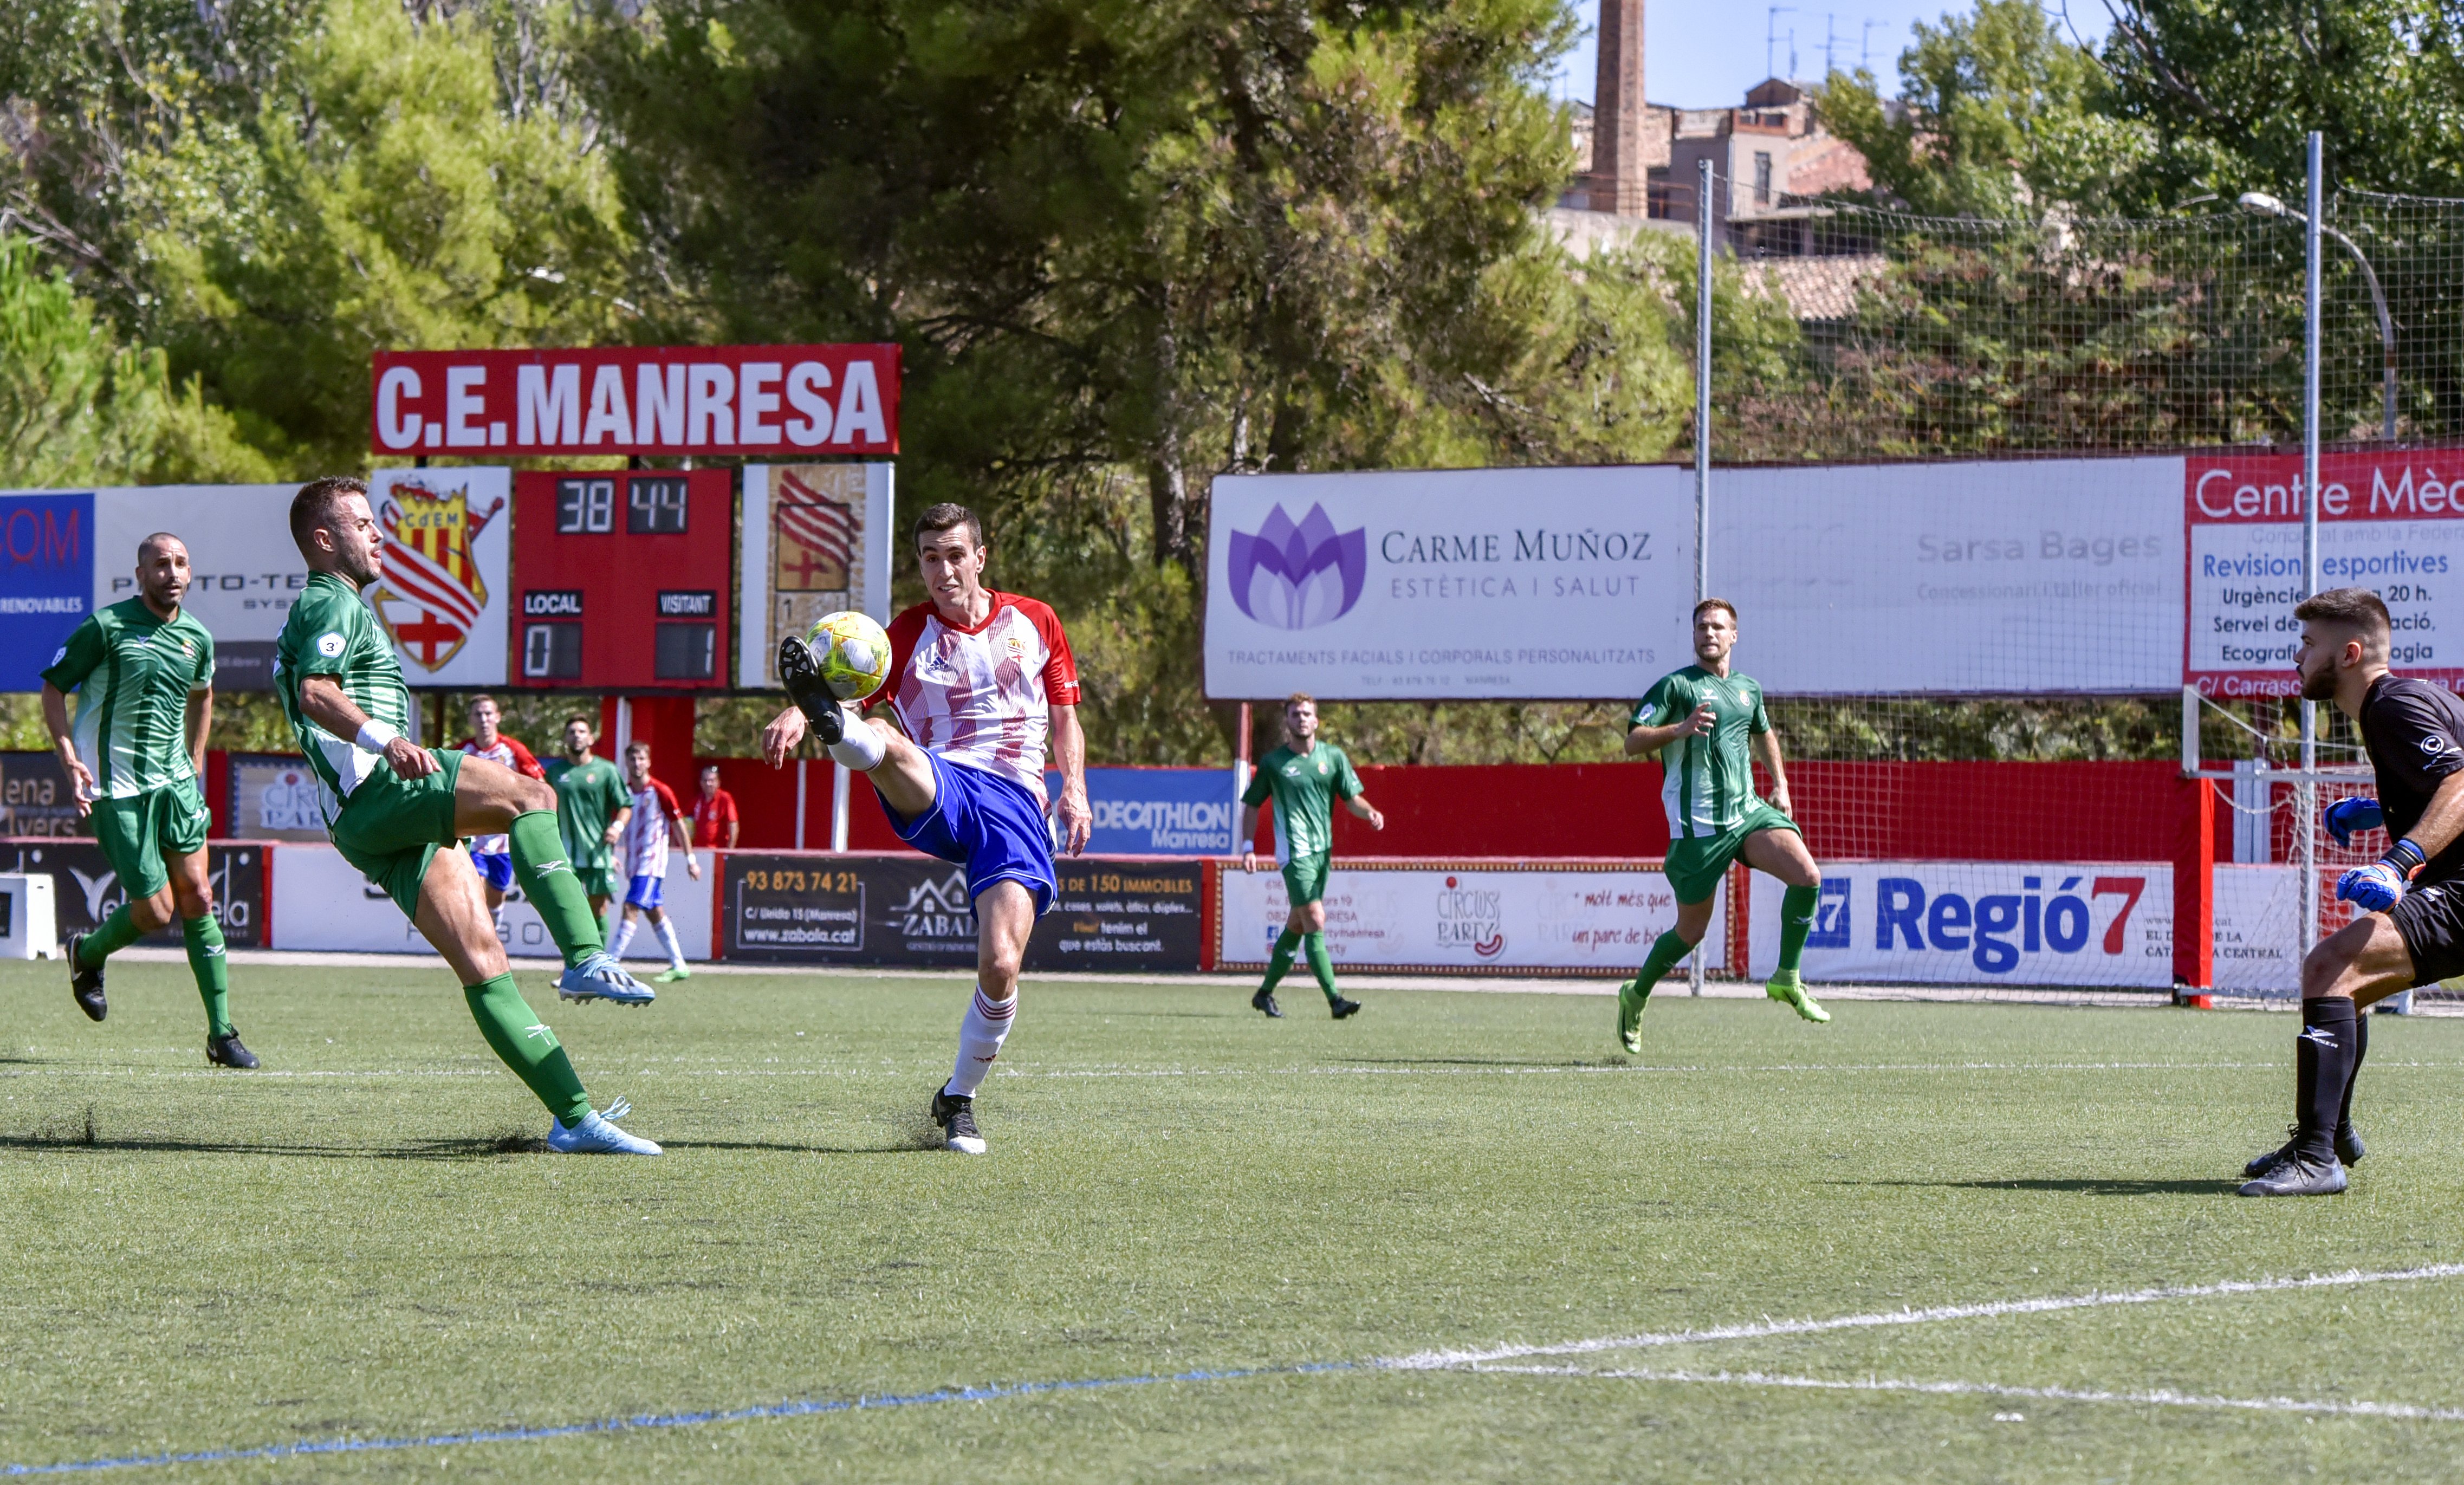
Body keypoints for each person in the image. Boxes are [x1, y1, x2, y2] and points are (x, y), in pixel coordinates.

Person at [270, 476, 659, 1155]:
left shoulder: (332, 604)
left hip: (360, 825)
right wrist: (383, 740)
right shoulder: (330, 599)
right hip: (381, 786)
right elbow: (314, 691)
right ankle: (585, 955)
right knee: (535, 797)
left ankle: (576, 1119)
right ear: (325, 541)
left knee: (485, 964)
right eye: (363, 524)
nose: (379, 533)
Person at [762, 502, 1092, 1155]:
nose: (942, 570)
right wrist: (803, 712)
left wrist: (1074, 789)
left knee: (1001, 964)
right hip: (943, 779)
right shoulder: (900, 635)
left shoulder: (1038, 620)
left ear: (980, 556)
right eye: (929, 558)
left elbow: (1065, 718)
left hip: (1018, 804)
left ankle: (958, 1098)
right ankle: (836, 730)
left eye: (954, 555)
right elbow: (859, 684)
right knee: (882, 735)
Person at [2238, 587, 2464, 1197]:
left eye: (2310, 645)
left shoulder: (2393, 705)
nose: (2298, 656)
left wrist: (2399, 861)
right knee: (2347, 980)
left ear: (2350, 653)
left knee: (2330, 967)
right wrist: (2379, 808)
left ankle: (2317, 1156)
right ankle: (2328, 1133)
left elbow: (2463, 783)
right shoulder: (2405, 701)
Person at [39, 533, 254, 1068]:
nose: (172, 573)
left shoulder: (197, 637)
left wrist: (197, 757)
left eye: (181, 563)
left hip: (176, 783)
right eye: (161, 564)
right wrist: (70, 758)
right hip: (118, 788)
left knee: (199, 896)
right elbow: (53, 687)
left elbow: (202, 696)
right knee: (155, 912)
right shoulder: (106, 627)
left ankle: (222, 1033)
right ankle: (86, 954)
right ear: (140, 573)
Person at [1617, 598, 1828, 1051]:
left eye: (1718, 627)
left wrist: (1782, 785)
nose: (1709, 633)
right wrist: (1679, 729)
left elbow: (1763, 731)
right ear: (1693, 636)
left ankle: (1787, 977)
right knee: (1691, 932)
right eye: (1701, 627)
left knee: (1808, 875)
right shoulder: (1675, 686)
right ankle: (1635, 995)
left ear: (1734, 635)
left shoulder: (1749, 688)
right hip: (1699, 827)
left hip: (1748, 811)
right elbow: (1633, 741)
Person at [1238, 693, 1384, 1019]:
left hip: (1322, 853)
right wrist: (1248, 846)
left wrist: (1371, 812)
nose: (1302, 718)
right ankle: (1335, 1000)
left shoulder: (1333, 757)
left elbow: (1352, 798)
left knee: (1298, 923)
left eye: (1307, 714)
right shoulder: (1275, 763)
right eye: (1295, 714)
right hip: (1295, 853)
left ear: (1316, 721)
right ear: (1287, 722)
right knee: (1316, 919)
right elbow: (1251, 804)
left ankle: (1264, 994)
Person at [609, 741, 700, 982]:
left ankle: (610, 963)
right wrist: (611, 855)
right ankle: (680, 965)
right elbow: (615, 828)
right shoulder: (624, 793)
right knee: (654, 911)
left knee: (631, 907)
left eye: (641, 759)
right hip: (634, 864)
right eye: (632, 759)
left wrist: (691, 859)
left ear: (648, 762)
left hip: (652, 864)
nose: (637, 764)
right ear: (626, 763)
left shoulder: (660, 791)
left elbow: (679, 825)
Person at [455, 695, 545, 913]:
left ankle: (493, 933)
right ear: (471, 719)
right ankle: (477, 941)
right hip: (472, 836)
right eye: (478, 714)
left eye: (488, 714)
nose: (484, 719)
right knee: (475, 886)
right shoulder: (461, 752)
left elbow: (539, 786)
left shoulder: (513, 750)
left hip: (504, 838)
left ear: (497, 717)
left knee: (496, 897)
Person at [543, 716, 630, 936]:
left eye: (582, 732)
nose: (577, 736)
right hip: (565, 853)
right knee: (568, 909)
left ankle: (597, 964)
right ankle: (572, 966)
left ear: (591, 739)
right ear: (565, 738)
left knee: (598, 907)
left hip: (598, 852)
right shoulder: (554, 773)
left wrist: (617, 827)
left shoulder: (606, 770)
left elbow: (626, 805)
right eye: (572, 732)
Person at [691, 763, 740, 850]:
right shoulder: (697, 800)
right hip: (698, 851)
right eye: (705, 781)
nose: (708, 784)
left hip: (717, 852)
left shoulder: (725, 799)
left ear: (718, 782)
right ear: (701, 783)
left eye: (712, 780)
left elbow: (733, 824)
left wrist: (730, 851)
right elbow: (680, 819)